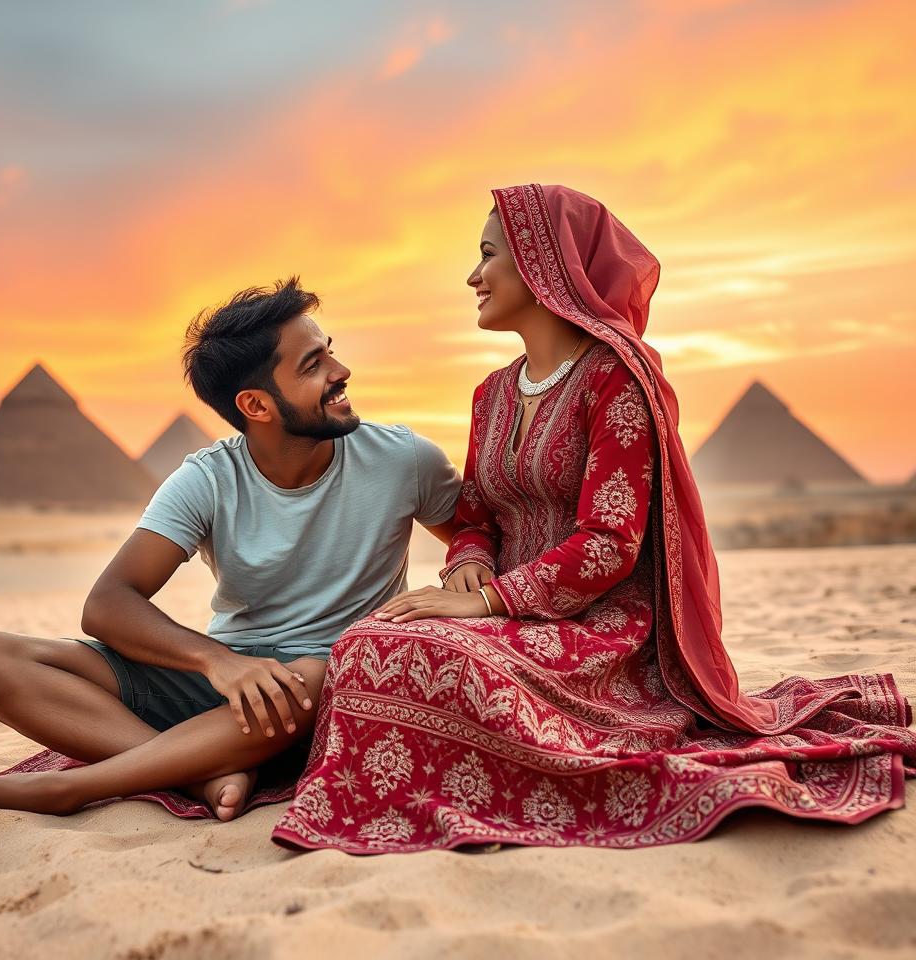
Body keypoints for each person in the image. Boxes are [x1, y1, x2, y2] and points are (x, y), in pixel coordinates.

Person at [271, 183, 916, 853]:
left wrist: (490, 600)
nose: (472, 275)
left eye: (488, 254)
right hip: (506, 620)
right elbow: (475, 516)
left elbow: (610, 544)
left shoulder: (615, 379)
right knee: (365, 642)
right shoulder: (490, 394)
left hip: (602, 633)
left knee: (426, 655)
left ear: (542, 263)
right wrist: (467, 565)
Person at [0, 279, 461, 821]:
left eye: (329, 353)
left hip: (327, 689)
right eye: (312, 365)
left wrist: (471, 567)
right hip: (224, 688)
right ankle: (197, 772)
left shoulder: (404, 461)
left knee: (320, 673)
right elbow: (107, 604)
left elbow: (478, 537)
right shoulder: (207, 478)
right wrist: (219, 662)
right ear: (256, 404)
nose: (340, 374)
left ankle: (70, 788)